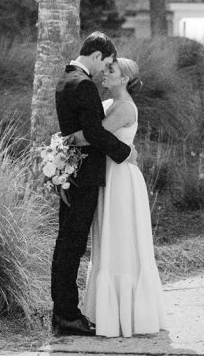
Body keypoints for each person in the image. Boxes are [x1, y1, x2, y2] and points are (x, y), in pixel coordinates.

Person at [69, 57, 167, 338]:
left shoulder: (124, 108)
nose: (105, 72)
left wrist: (62, 140)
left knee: (122, 241)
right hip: (108, 176)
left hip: (121, 179)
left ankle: (129, 314)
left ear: (124, 78)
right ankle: (107, 312)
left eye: (111, 70)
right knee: (108, 239)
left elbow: (93, 135)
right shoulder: (110, 104)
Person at [51, 31, 133, 337]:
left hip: (70, 174)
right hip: (83, 175)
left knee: (66, 242)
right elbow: (95, 133)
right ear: (97, 55)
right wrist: (126, 152)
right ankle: (67, 315)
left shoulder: (65, 79)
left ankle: (63, 311)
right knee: (72, 244)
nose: (105, 70)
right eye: (107, 62)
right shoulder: (83, 84)